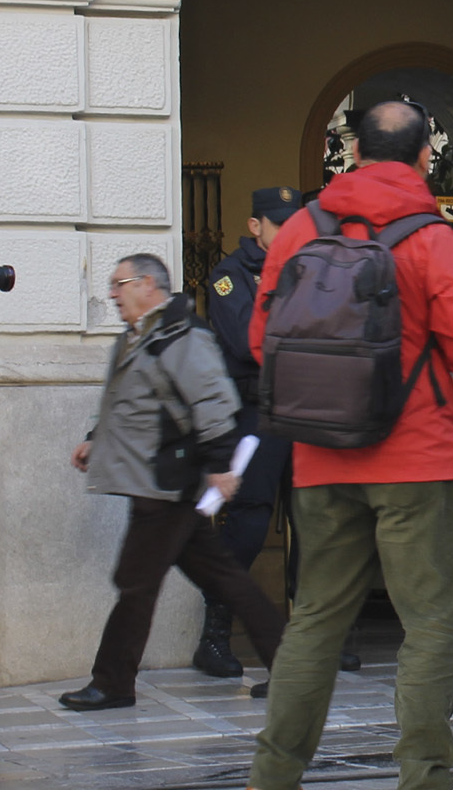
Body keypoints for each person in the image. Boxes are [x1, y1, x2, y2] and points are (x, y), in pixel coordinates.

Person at [247, 101, 453, 790]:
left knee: (315, 623)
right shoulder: (433, 239)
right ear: (426, 157)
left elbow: (259, 343)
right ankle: (424, 776)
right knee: (432, 624)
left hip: (321, 459)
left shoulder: (299, 229)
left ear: (354, 152)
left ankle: (272, 776)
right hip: (420, 459)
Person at [60, 254, 284, 712]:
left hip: (167, 481)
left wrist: (222, 465)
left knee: (136, 583)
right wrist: (94, 439)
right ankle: (291, 669)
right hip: (154, 480)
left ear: (147, 284)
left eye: (119, 284)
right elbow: (125, 401)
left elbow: (213, 398)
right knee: (225, 579)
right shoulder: (141, 334)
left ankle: (113, 682)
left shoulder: (182, 333)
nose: (113, 294)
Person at [195, 186, 303, 678]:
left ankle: (316, 636)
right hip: (256, 412)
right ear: (255, 226)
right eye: (279, 222)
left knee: (313, 524)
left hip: (303, 409)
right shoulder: (229, 275)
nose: (289, 231)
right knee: (249, 524)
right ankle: (214, 634)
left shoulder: (311, 268)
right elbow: (245, 343)